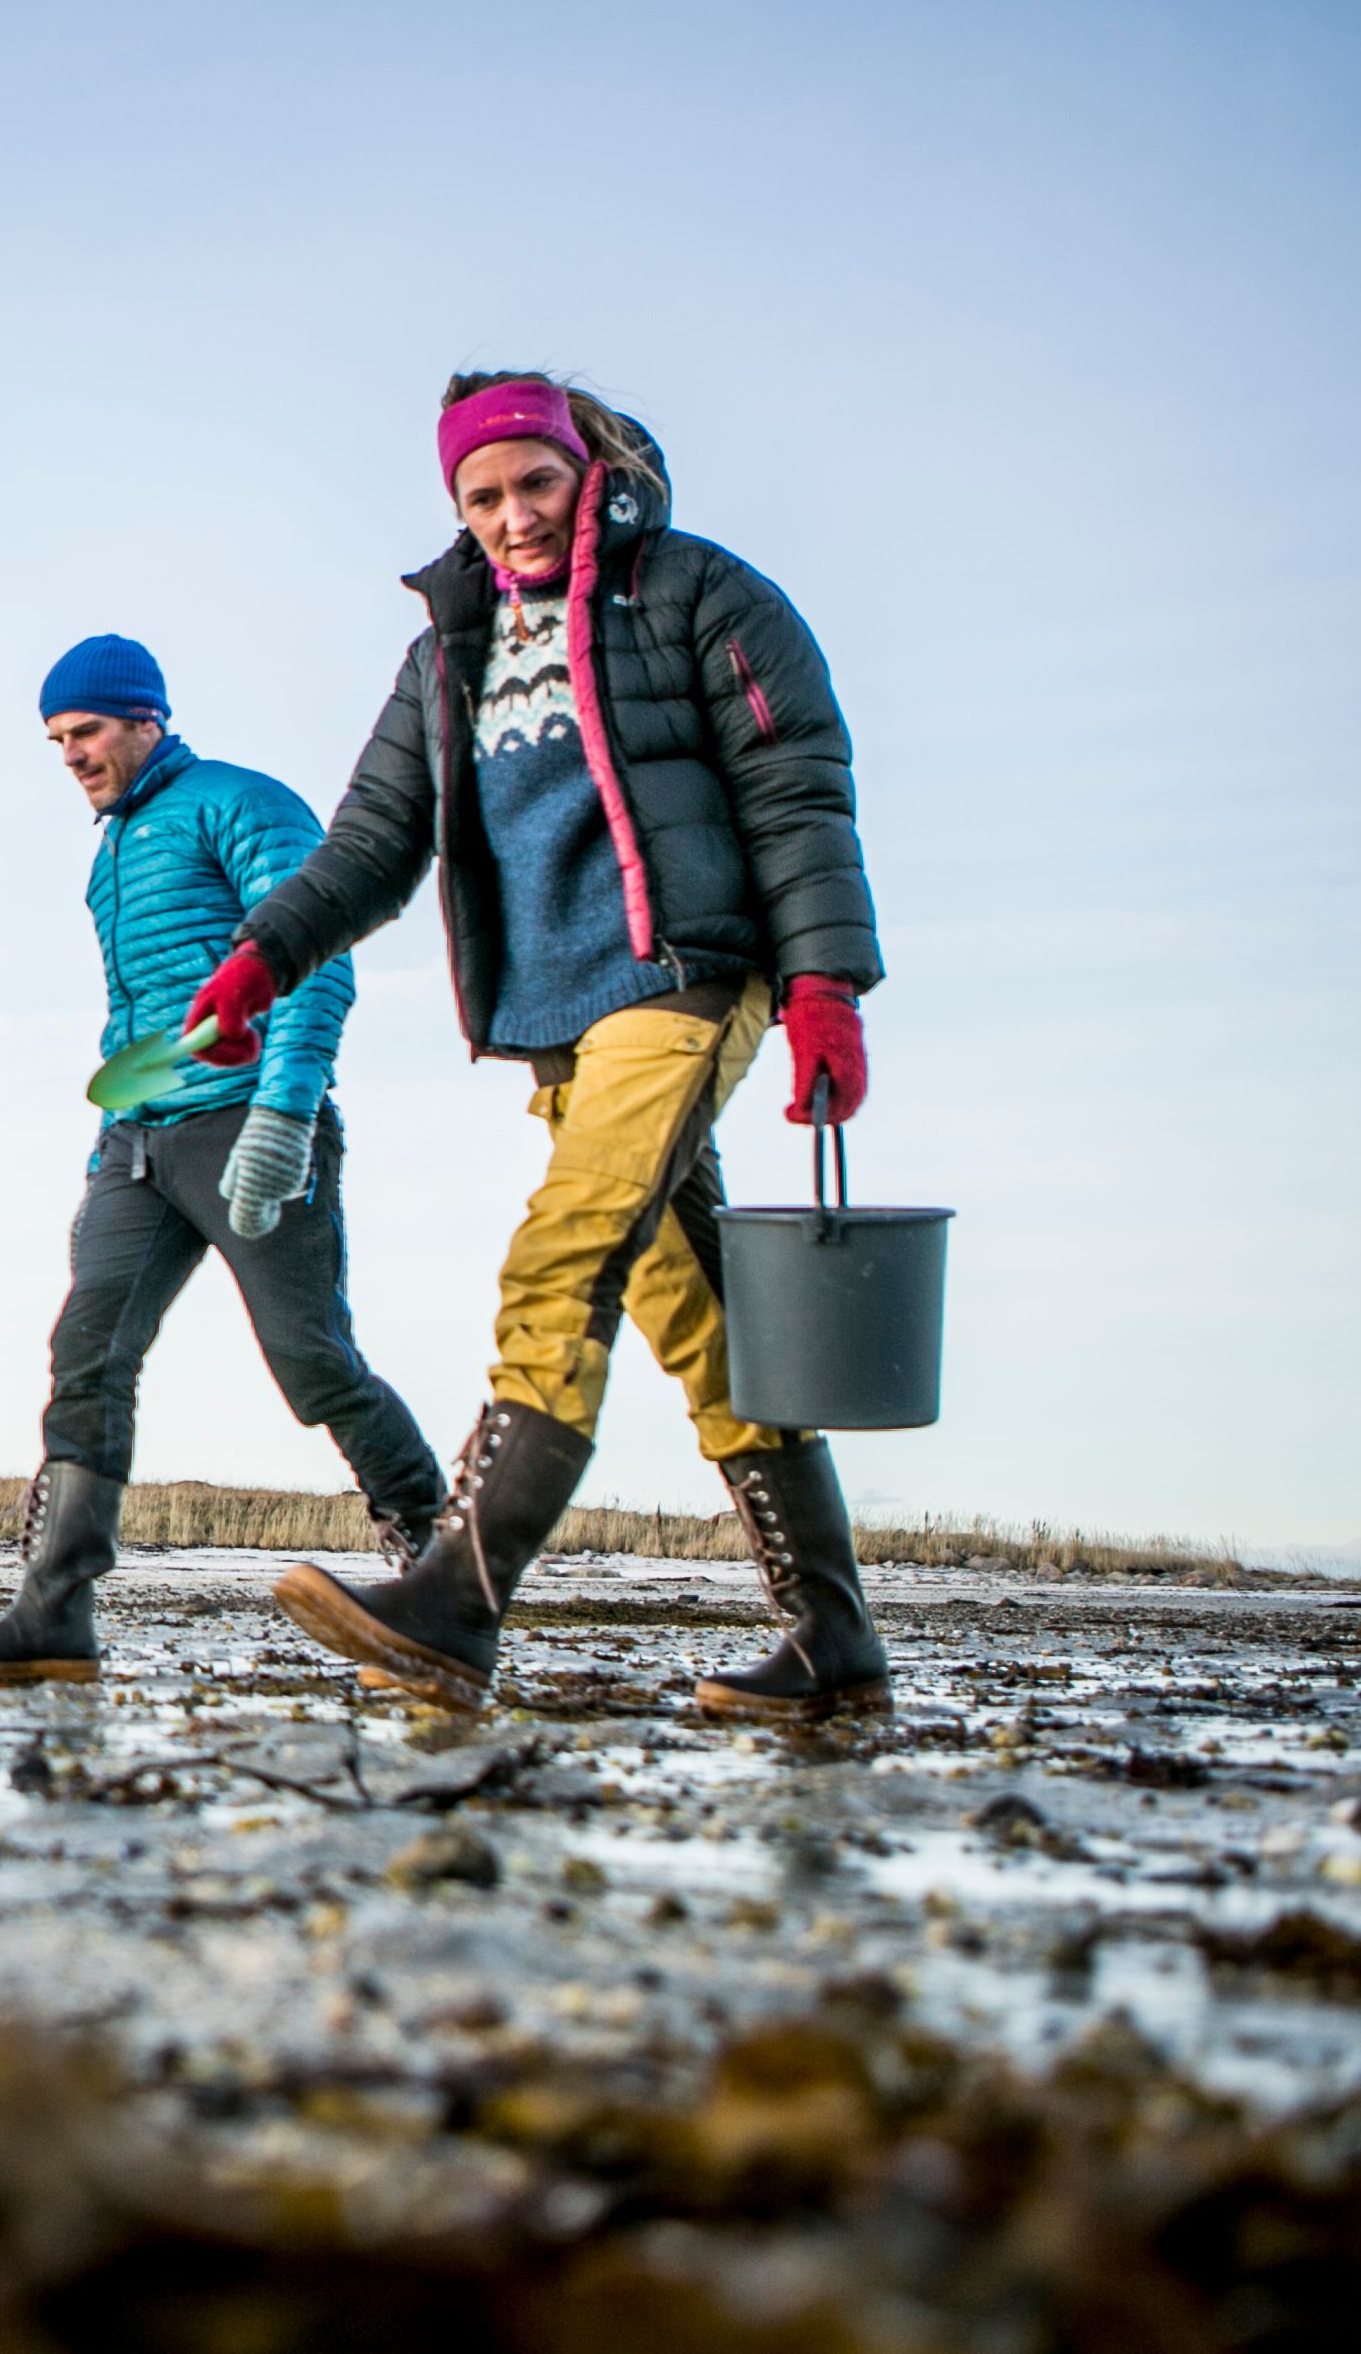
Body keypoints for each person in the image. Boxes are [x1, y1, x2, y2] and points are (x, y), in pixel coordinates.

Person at [180, 375, 893, 1724]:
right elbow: (374, 842)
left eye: (535, 484)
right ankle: (833, 1643)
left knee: (561, 1256)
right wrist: (264, 953)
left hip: (682, 982)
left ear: (588, 472)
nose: (513, 516)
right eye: (482, 495)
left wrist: (823, 987)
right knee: (703, 1323)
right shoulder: (447, 650)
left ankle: (457, 1598)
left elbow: (796, 785)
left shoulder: (695, 595)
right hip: (559, 1026)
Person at [0, 635, 443, 1685]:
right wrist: (117, 1120)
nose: (70, 755)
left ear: (146, 718)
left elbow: (312, 956)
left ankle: (438, 1563)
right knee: (88, 1351)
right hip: (138, 1142)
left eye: (88, 731)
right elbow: (142, 1012)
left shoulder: (238, 803)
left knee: (312, 1361)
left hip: (248, 1121)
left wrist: (285, 1114)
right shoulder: (109, 851)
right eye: (56, 740)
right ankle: (54, 1611)